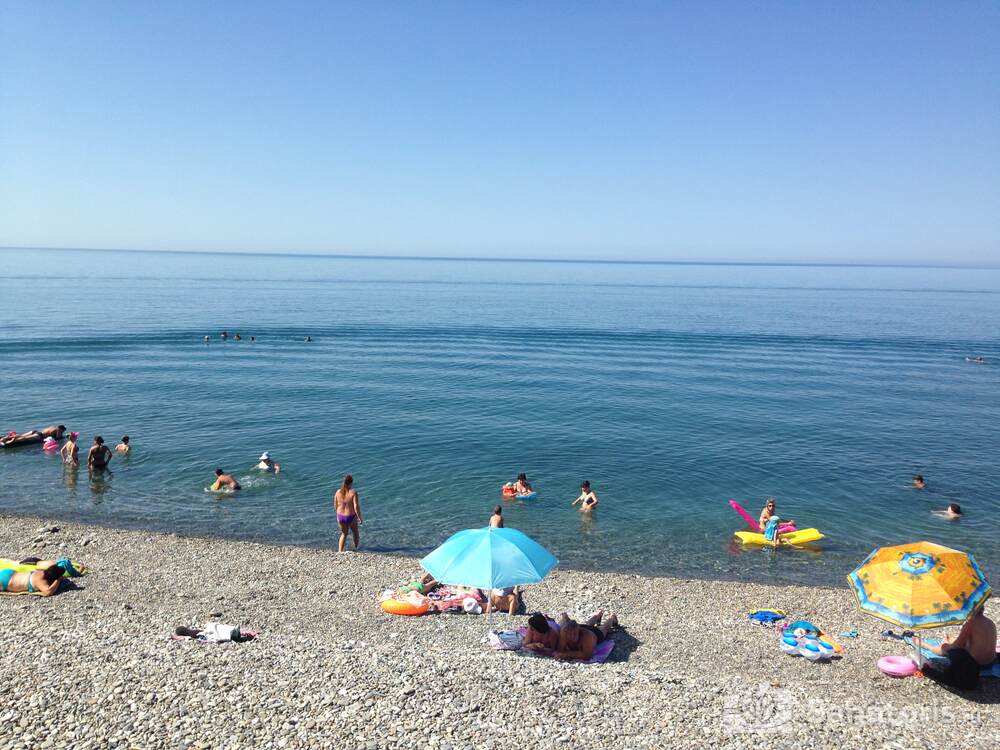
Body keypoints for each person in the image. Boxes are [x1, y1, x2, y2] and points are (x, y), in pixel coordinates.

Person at [920, 600, 998, 691]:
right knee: (957, 642)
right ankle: (947, 641)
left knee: (945, 648)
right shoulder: (990, 622)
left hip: (975, 665)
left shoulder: (970, 623)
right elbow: (972, 642)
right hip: (991, 661)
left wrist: (946, 644)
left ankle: (924, 645)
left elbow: (957, 646)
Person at [333, 474, 362, 551]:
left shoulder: (338, 492)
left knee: (344, 534)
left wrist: (338, 514)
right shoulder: (353, 492)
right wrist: (359, 517)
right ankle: (355, 549)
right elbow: (356, 506)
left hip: (340, 516)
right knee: (355, 533)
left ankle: (340, 551)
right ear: (351, 483)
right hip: (350, 516)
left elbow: (335, 505)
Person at [0, 564, 64, 597]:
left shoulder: (41, 571)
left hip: (9, 572)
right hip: (6, 581)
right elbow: (48, 592)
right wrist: (58, 580)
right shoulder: (41, 581)